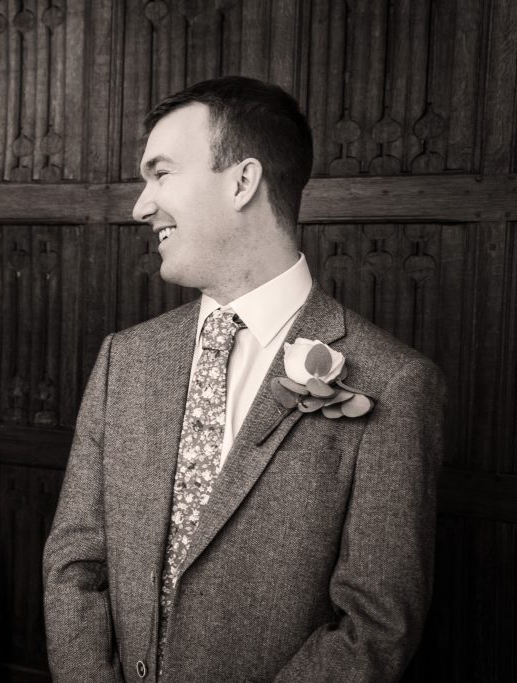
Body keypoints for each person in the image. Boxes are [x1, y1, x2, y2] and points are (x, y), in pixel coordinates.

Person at [42, 76, 445, 682]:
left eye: (162, 173)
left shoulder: (393, 383)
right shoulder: (125, 359)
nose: (140, 205)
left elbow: (373, 626)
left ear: (242, 182)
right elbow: (74, 565)